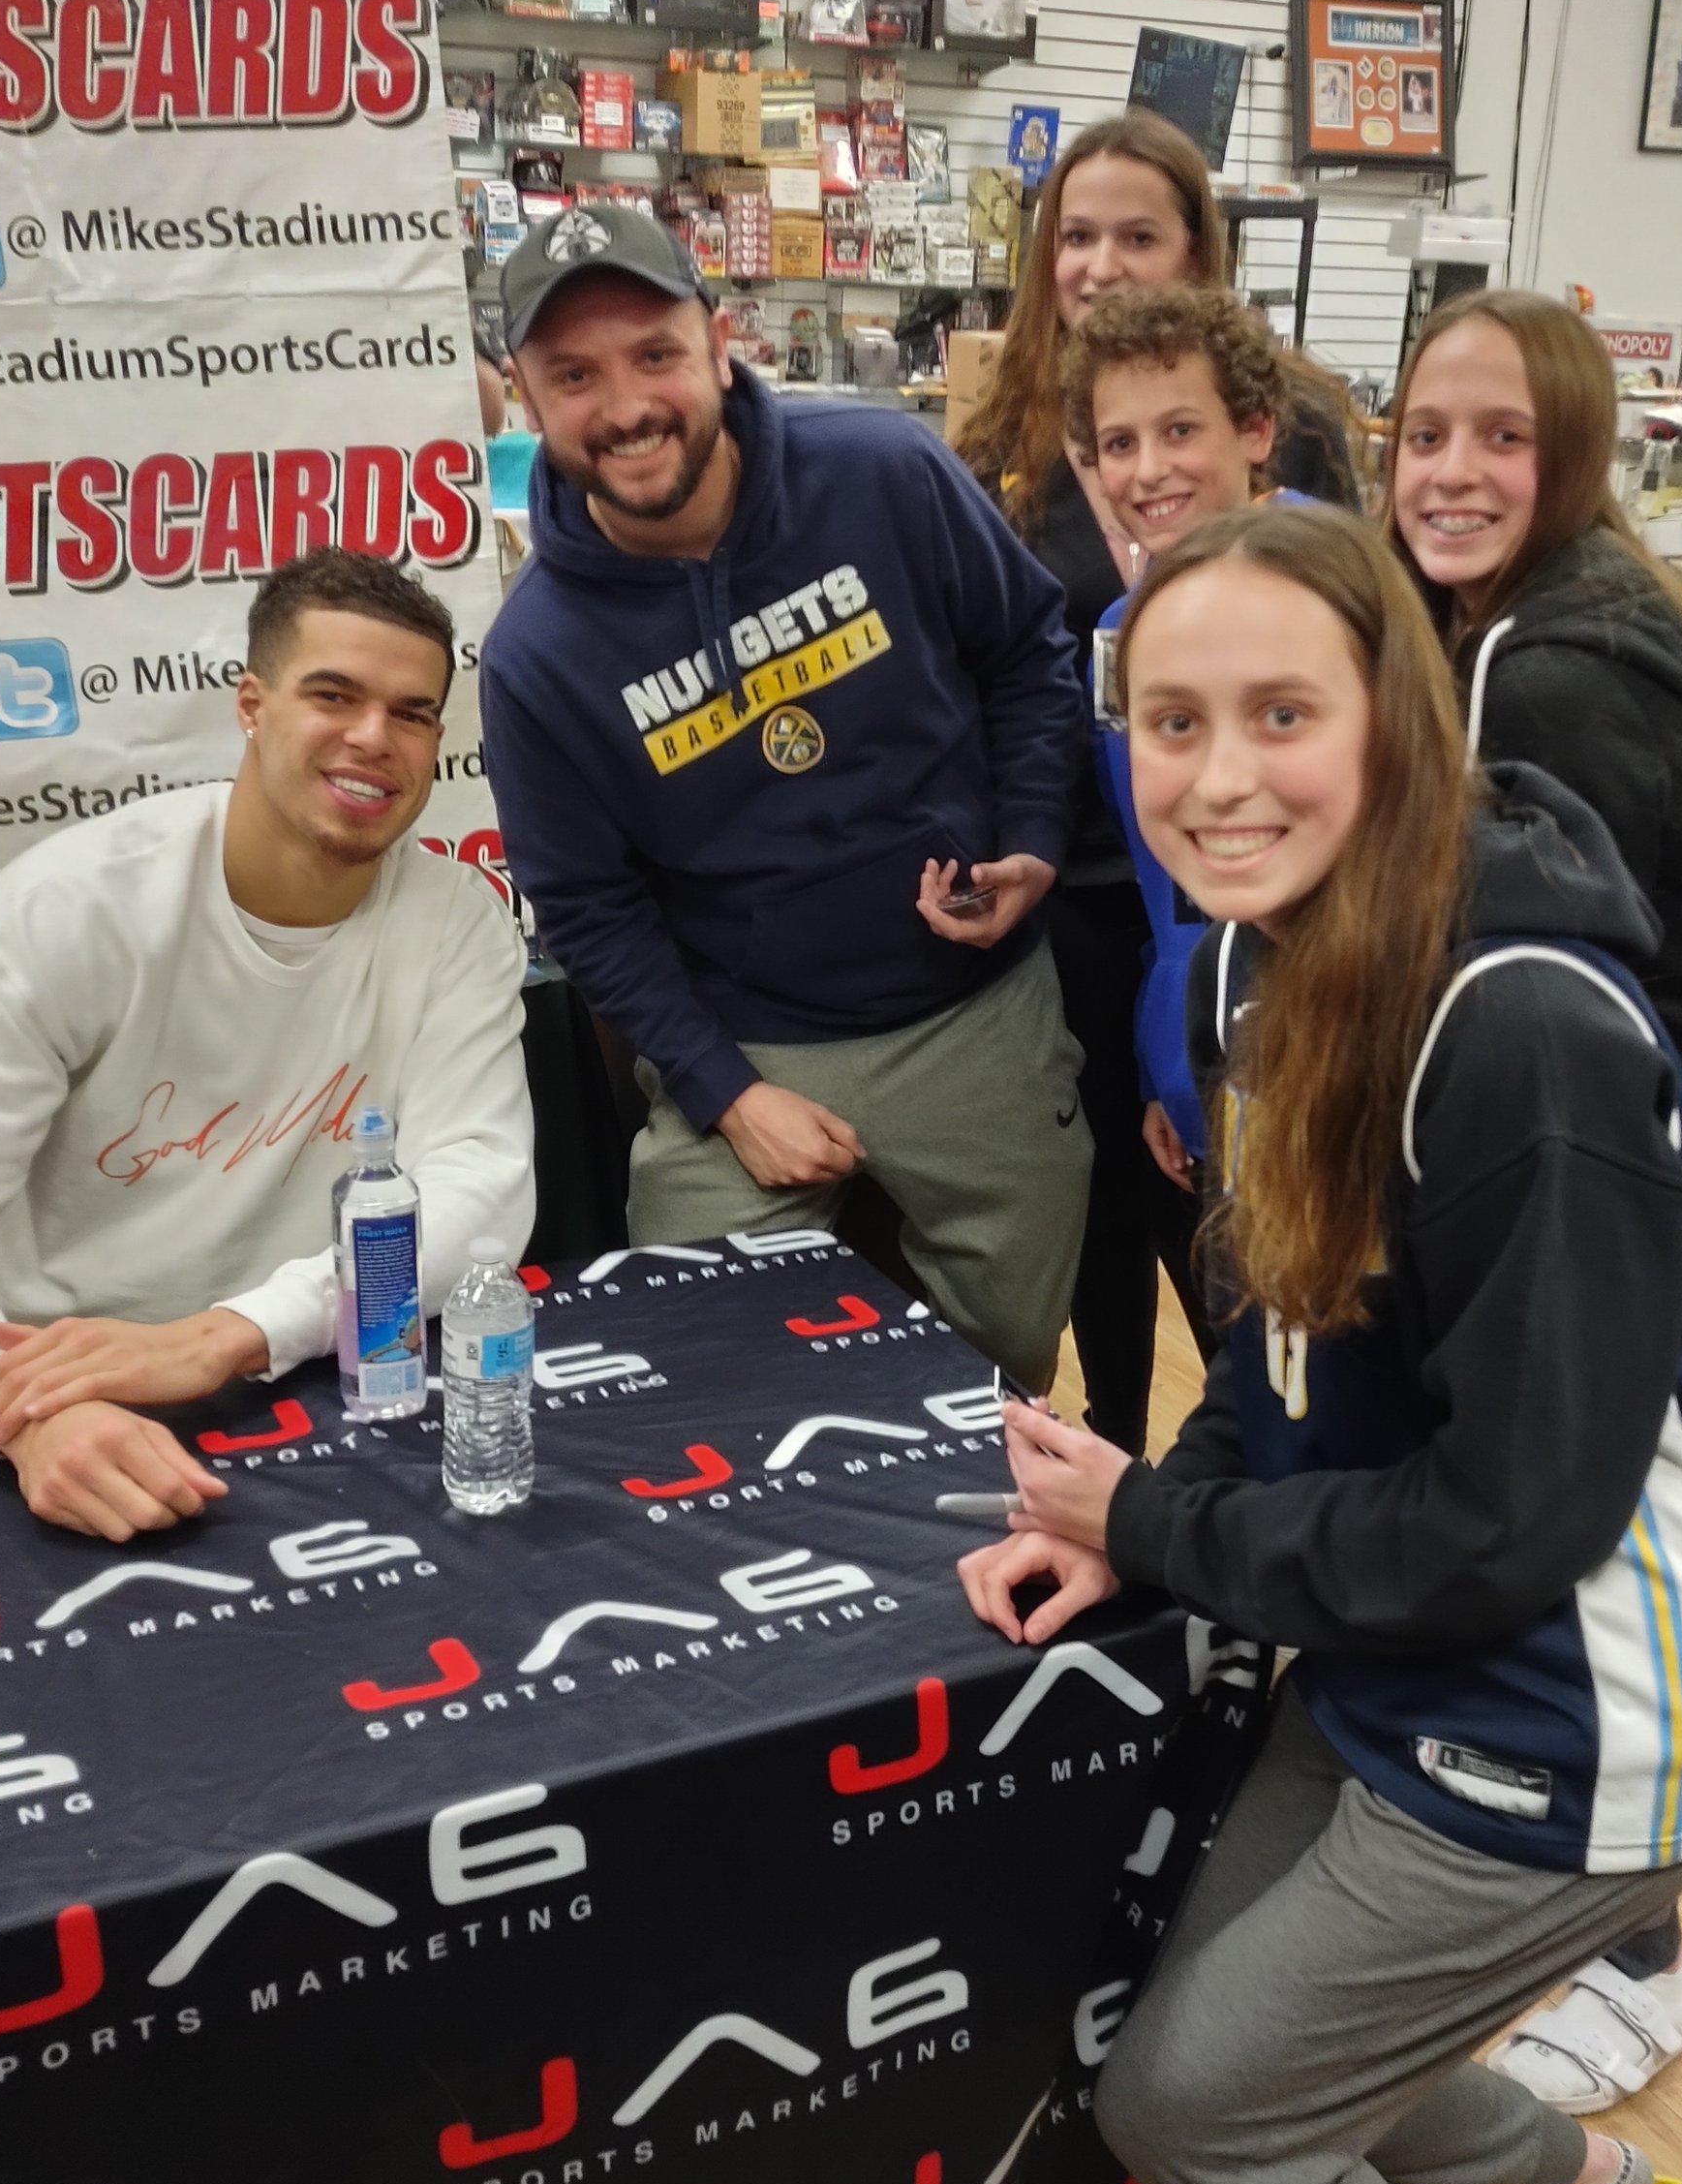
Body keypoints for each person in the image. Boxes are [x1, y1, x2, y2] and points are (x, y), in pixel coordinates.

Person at [957, 502, 1682, 2184]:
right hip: (1411, 1648)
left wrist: (1163, 1523)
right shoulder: (1249, 954)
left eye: (1281, 714)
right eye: (1169, 721)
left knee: (1201, 2111)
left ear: (1395, 722)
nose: (1217, 775)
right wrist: (1149, 1534)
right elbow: (1268, 1322)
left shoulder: (1522, 1031)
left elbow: (1517, 1518)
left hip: (1590, 1721)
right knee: (1253, 2028)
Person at [1385, 288, 1682, 2111]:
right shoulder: (1547, 614)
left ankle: (1645, 1961)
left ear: (1572, 455)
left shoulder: (1540, 669)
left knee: (1627, 1598)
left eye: (1503, 438)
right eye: (1428, 433)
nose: (1454, 471)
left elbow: (1541, 989)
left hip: (1671, 1219)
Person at [480, 200, 1089, 1386]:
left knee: (1009, 1362)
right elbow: (590, 911)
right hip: (747, 1033)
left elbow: (1027, 653)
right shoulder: (534, 656)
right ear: (527, 400)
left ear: (718, 345)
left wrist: (1030, 840)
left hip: (971, 1007)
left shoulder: (885, 470)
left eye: (654, 354)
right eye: (574, 376)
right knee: (696, 1364)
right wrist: (726, 1095)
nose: (625, 406)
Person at [0, 549, 535, 1541]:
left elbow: (482, 1187)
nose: (374, 737)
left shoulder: (457, 921)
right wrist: (21, 1412)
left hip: (316, 1382)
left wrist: (233, 1333)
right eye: (333, 695)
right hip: (65, 1400)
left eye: (412, 714)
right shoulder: (73, 907)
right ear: (251, 706)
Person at [955, 112, 1357, 1450]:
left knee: (1271, 1240)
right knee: (1126, 1183)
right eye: (1076, 236)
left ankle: (1254, 1465)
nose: (1103, 263)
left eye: (1139, 234)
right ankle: (1145, 1462)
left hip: (1265, 919)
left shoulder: (1295, 487)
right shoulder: (1007, 447)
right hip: (1102, 886)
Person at [1061, 280, 1315, 1217]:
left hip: (1321, 1055)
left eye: (1179, 431)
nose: (1148, 470)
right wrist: (1168, 1057)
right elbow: (1166, 886)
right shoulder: (1124, 629)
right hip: (1197, 1056)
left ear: (1253, 429)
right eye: (1119, 444)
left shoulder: (1336, 599)